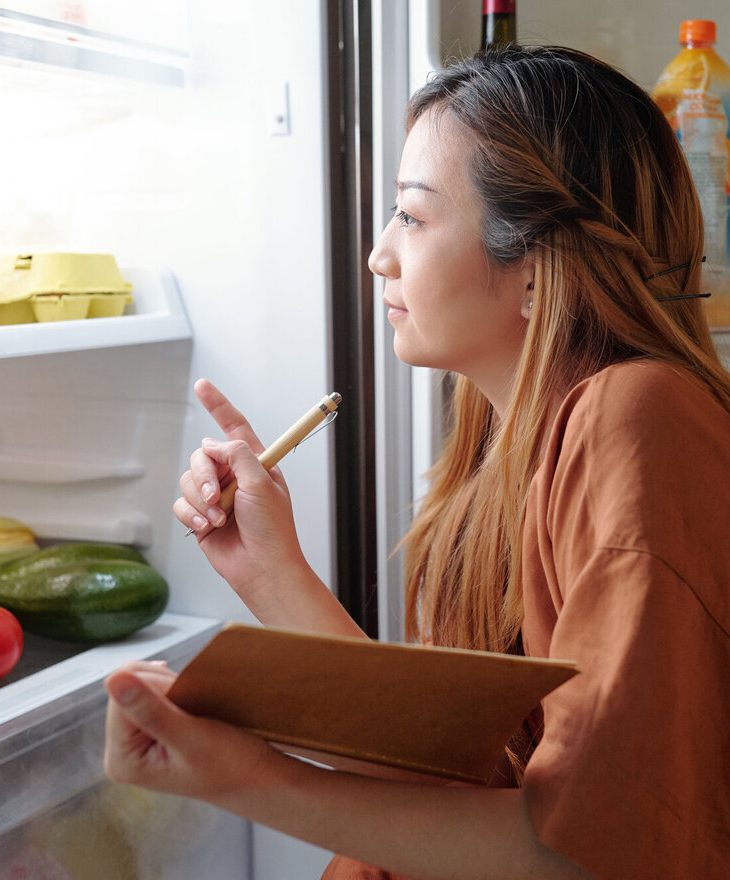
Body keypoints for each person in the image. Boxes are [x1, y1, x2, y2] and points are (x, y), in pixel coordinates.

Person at [102, 45, 730, 880]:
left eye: (414, 215)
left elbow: (587, 855)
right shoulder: (508, 446)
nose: (379, 255)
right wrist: (269, 569)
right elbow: (454, 788)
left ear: (539, 261)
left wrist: (247, 778)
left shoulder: (639, 416)